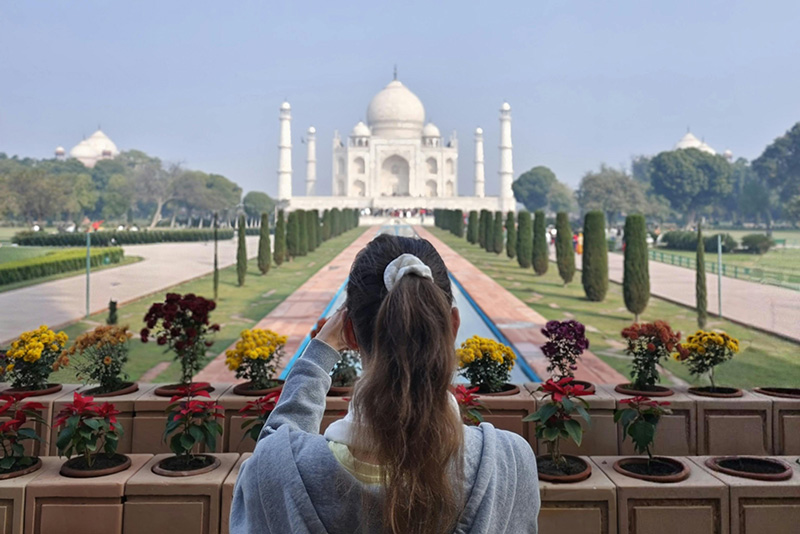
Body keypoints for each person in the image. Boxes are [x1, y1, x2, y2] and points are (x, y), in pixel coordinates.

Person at [231, 234, 539, 534]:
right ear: (452, 326)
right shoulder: (507, 465)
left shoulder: (279, 469)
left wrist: (318, 356)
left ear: (350, 333)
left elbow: (271, 460)